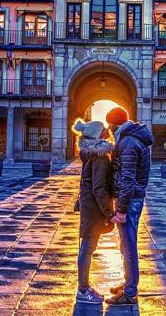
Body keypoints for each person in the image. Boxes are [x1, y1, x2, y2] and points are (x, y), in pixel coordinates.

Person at [105, 107, 154, 306]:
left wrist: (121, 210)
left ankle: (130, 291)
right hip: (134, 197)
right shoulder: (133, 139)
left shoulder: (127, 143)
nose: (108, 129)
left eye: (109, 124)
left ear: (114, 124)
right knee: (126, 244)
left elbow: (127, 178)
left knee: (128, 245)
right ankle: (128, 283)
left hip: (130, 199)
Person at [72, 119, 115, 304]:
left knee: (87, 247)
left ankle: (84, 288)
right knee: (87, 248)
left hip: (88, 206)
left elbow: (87, 183)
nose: (107, 131)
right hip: (94, 209)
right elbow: (99, 188)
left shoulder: (89, 155)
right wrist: (109, 212)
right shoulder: (100, 157)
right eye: (104, 129)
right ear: (98, 134)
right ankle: (83, 290)